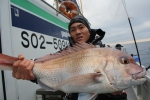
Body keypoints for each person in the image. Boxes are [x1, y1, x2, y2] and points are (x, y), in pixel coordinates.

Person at [12, 15, 126, 100]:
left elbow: (122, 93)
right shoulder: (65, 53)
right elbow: (50, 71)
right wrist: (31, 73)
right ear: (70, 34)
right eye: (73, 30)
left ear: (89, 29)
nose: (78, 32)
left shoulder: (107, 51)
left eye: (81, 27)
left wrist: (115, 92)